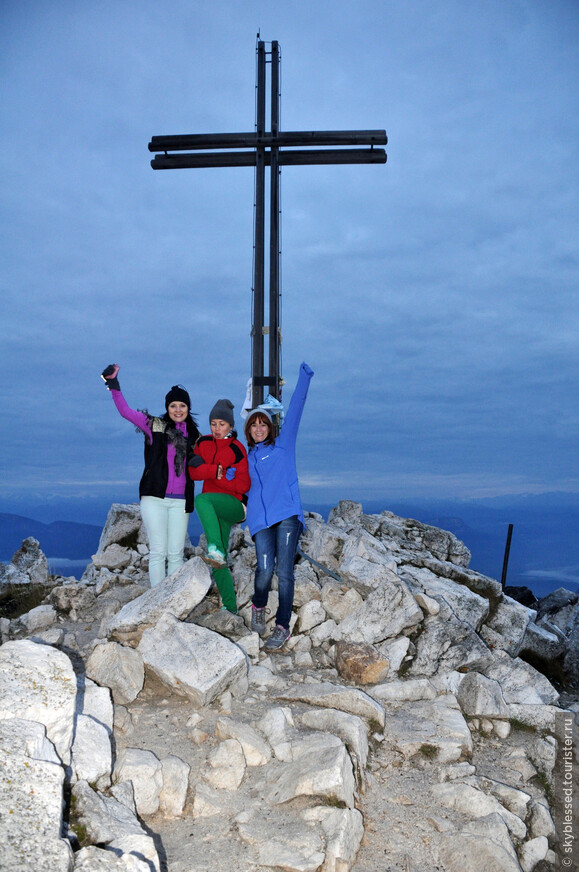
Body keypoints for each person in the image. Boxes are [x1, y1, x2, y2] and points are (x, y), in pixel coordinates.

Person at [101, 364, 200, 587]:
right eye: (173, 405)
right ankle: (157, 600)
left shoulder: (195, 435)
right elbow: (125, 412)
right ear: (167, 407)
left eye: (182, 405)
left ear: (188, 407)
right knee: (158, 552)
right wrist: (113, 385)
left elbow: (206, 461)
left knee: (175, 555)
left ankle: (172, 599)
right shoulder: (154, 425)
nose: (177, 410)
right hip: (154, 498)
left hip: (181, 502)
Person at [244, 362, 314, 650]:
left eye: (263, 423)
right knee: (263, 571)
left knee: (284, 572)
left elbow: (296, 407)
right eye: (254, 424)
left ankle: (282, 626)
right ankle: (258, 605)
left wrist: (304, 377)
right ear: (248, 429)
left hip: (286, 515)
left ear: (270, 427)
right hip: (260, 521)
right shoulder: (246, 458)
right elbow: (230, 480)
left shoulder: (283, 446)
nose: (259, 428)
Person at [188, 399, 250, 614]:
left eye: (222, 424)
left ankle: (214, 550)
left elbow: (244, 485)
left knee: (201, 499)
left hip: (235, 505)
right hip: (215, 509)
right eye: (213, 423)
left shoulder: (237, 448)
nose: (216, 428)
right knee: (219, 559)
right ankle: (230, 608)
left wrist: (218, 479)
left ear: (230, 426)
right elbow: (193, 472)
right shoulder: (202, 444)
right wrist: (216, 471)